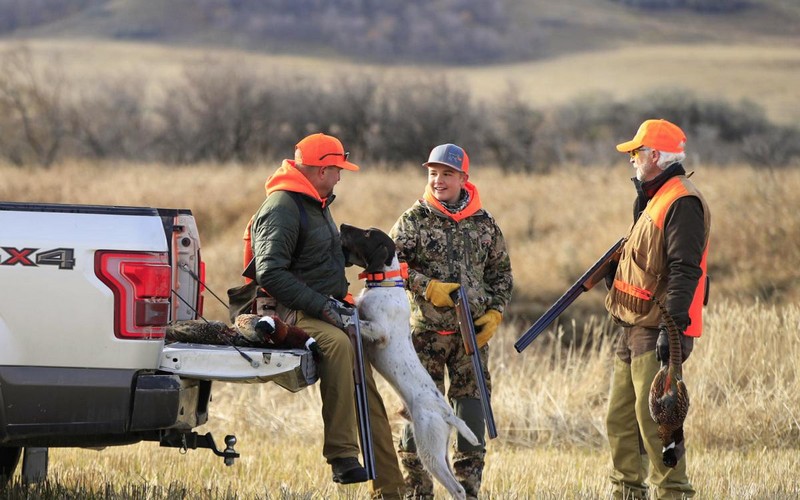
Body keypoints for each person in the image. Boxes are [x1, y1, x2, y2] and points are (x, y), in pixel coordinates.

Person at [249, 133, 406, 498]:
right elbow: (270, 273)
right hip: (295, 312)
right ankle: (342, 455)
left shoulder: (315, 202)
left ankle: (392, 491)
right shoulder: (283, 207)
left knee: (368, 399)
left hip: (328, 308)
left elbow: (317, 256)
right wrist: (323, 306)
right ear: (321, 170)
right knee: (337, 346)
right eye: (337, 170)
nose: (340, 177)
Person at [389, 143, 513, 499]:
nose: (438, 180)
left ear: (463, 178)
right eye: (433, 174)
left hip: (470, 337)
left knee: (472, 414)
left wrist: (495, 312)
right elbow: (389, 266)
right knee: (419, 416)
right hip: (424, 335)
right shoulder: (413, 220)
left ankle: (467, 490)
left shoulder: (485, 223)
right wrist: (427, 288)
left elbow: (501, 274)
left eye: (446, 174)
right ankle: (418, 491)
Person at [605, 119, 710, 499]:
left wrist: (673, 330)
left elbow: (686, 269)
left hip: (659, 327)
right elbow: (649, 262)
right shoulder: (653, 195)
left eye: (636, 152)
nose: (632, 159)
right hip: (633, 325)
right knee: (620, 420)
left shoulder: (682, 200)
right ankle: (627, 492)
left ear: (654, 156)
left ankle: (673, 493)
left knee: (659, 426)